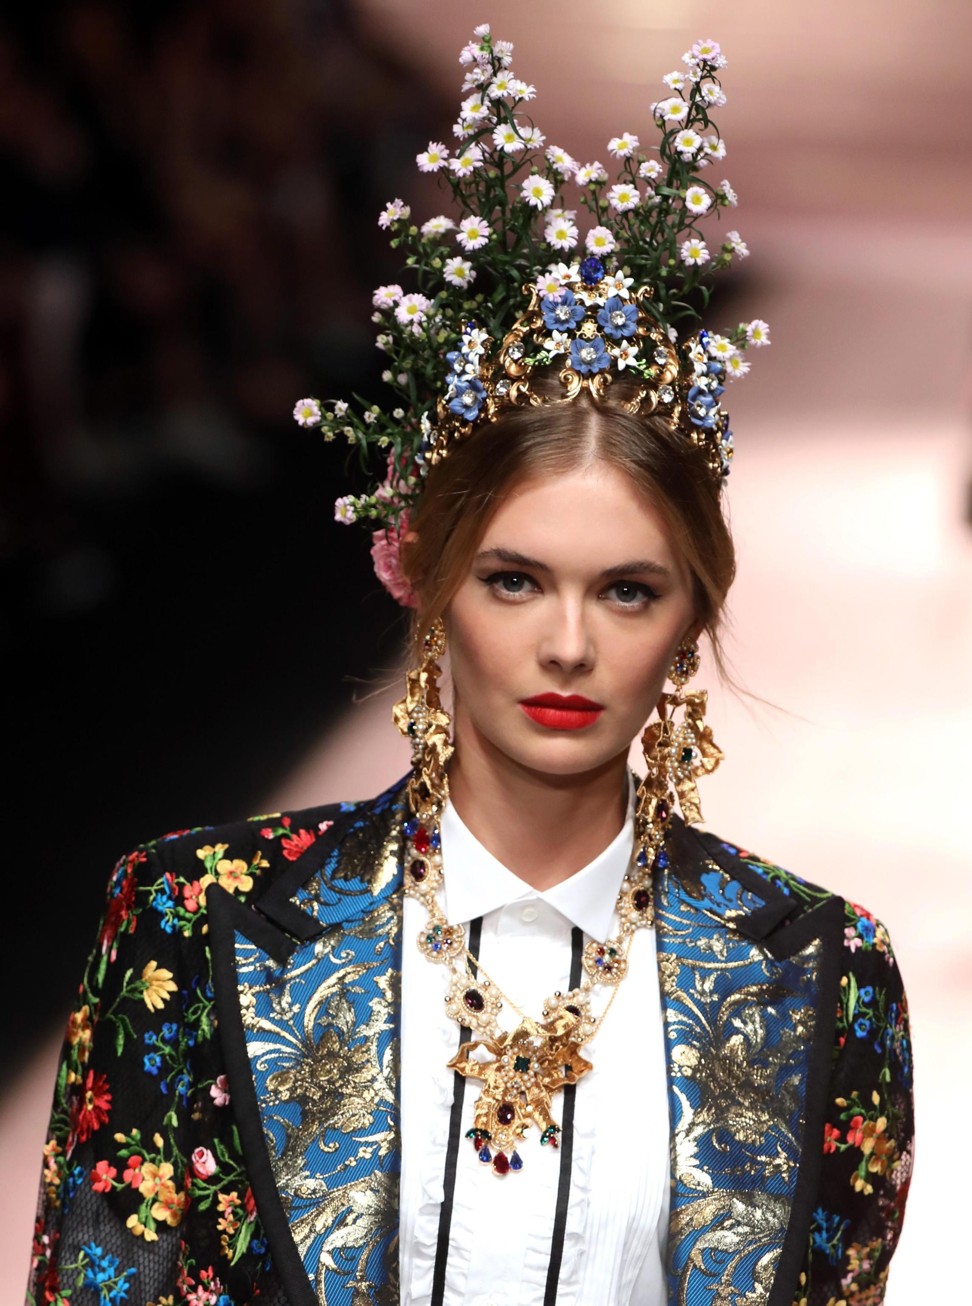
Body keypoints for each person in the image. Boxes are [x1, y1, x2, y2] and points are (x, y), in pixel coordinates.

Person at [28, 26, 913, 1306]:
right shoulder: (193, 925)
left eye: (627, 589)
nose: (568, 642)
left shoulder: (820, 974)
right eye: (513, 578)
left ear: (693, 618)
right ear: (422, 582)